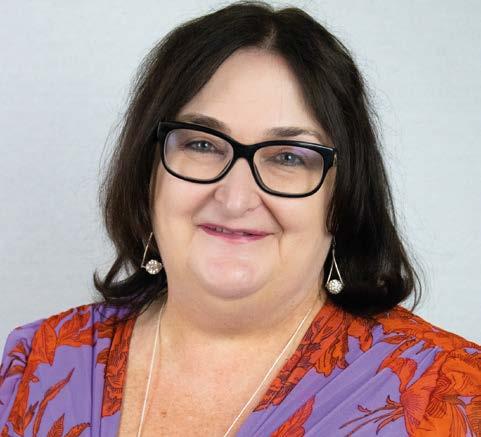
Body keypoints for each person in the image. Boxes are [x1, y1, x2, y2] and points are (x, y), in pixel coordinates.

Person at [1, 2, 480, 436]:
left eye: (288, 157)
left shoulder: (450, 395)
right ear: (147, 172)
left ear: (344, 193)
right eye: (202, 144)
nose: (235, 197)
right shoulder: (36, 364)